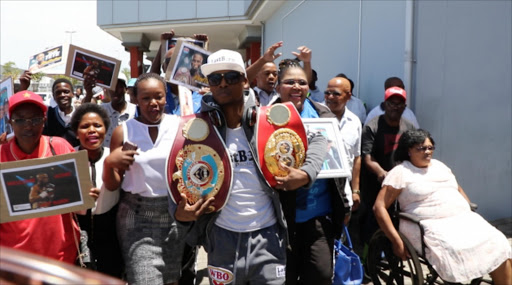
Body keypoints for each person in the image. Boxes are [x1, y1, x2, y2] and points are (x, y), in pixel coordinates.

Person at [174, 49, 326, 285]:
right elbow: (175, 171)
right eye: (216, 79)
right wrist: (181, 216)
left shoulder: (269, 120)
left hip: (268, 237)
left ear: (246, 80)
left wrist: (306, 174)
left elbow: (318, 139)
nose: (223, 83)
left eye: (232, 77)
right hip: (221, 238)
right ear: (210, 85)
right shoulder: (197, 130)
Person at [374, 129, 512, 283]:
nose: (427, 152)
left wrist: (466, 207)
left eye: (430, 147)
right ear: (409, 151)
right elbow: (379, 207)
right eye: (421, 148)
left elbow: (456, 188)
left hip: (461, 219)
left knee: (496, 240)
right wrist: (396, 240)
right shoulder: (401, 172)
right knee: (454, 248)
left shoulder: (439, 166)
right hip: (428, 225)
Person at [103, 73, 186, 285]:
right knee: (145, 279)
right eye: (146, 98)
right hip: (136, 218)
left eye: (158, 96)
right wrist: (109, 163)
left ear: (166, 97)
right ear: (136, 99)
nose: (153, 103)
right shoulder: (124, 132)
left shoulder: (180, 127)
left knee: (170, 279)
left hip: (173, 218)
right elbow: (113, 185)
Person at [274, 59, 349, 285]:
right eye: (289, 82)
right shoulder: (264, 117)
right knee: (285, 277)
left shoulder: (322, 114)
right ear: (278, 87)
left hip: (319, 216)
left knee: (321, 275)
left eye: (302, 82)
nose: (296, 87)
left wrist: (344, 203)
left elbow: (338, 165)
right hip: (280, 218)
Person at [0, 91, 86, 264]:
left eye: (35, 119)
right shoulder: (1, 156)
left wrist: (87, 194)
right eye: (20, 120)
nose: (28, 126)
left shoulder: (60, 148)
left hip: (61, 258)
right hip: (15, 262)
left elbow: (81, 206)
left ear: (44, 120)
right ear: (10, 122)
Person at [360, 85, 416, 254]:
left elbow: (413, 154)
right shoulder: (372, 126)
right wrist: (381, 173)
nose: (395, 107)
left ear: (404, 107)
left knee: (397, 223)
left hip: (400, 184)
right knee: (372, 225)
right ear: (385, 104)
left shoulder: (408, 127)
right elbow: (367, 158)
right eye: (392, 103)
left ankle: (393, 256)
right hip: (375, 184)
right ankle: (369, 260)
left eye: (400, 104)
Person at [70, 103, 124, 278]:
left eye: (97, 125)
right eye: (85, 126)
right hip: (78, 232)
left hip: (110, 233)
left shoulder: (115, 157)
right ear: (76, 133)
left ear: (106, 130)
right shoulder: (67, 160)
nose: (92, 130)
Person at [324, 76, 362, 213]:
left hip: (345, 187)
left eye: (336, 94)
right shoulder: (315, 116)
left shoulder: (354, 121)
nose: (330, 97)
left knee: (343, 226)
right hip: (321, 187)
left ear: (348, 96)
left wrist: (355, 190)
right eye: (327, 92)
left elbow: (357, 157)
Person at [99, 79, 137, 148]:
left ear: (125, 89)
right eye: (112, 87)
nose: (115, 90)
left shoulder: (135, 110)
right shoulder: (101, 110)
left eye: (119, 87)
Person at [43, 78, 80, 147]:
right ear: (53, 96)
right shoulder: (47, 115)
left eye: (66, 91)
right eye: (58, 93)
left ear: (72, 94)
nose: (62, 95)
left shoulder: (80, 115)